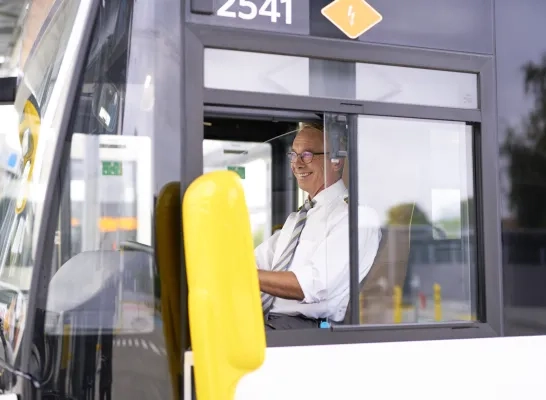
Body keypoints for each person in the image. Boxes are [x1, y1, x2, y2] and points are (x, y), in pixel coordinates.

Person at [254, 121, 381, 330]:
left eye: (307, 155)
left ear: (336, 161)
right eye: (293, 155)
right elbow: (256, 262)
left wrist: (243, 275)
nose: (297, 164)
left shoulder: (356, 218)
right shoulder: (298, 219)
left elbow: (310, 285)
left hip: (302, 329)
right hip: (267, 321)